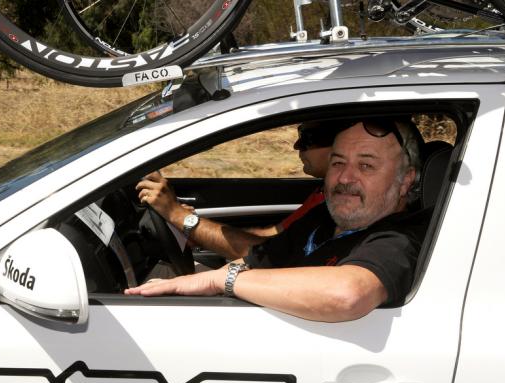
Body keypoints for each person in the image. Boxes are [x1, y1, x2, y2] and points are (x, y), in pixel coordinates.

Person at [126, 117, 426, 322]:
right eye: (337, 163)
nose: (345, 178)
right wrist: (190, 283)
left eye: (366, 166)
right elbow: (260, 258)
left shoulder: (400, 237)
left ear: (405, 180)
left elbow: (348, 294)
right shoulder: (324, 218)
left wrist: (219, 280)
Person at [135, 121, 333, 260]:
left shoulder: (337, 206)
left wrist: (178, 215)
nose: (296, 145)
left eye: (308, 138)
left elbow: (264, 252)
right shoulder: (323, 193)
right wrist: (198, 233)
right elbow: (271, 237)